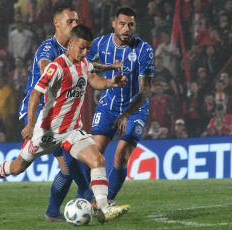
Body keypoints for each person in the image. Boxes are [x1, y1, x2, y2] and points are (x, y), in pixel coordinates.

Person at [0, 25, 130, 224]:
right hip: (47, 132)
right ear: (70, 43)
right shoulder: (57, 67)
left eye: (88, 48)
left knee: (98, 161)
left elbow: (94, 72)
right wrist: (30, 125)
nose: (85, 53)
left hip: (72, 131)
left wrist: (111, 81)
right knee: (18, 166)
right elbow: (35, 94)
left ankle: (104, 209)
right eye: (82, 48)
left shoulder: (83, 63)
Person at [16, 5, 122, 221]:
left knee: (71, 166)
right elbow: (48, 69)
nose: (75, 24)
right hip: (40, 114)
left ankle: (57, 211)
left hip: (62, 117)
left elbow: (89, 73)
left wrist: (109, 77)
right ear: (57, 23)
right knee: (68, 166)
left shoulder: (79, 49)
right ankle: (85, 199)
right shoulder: (48, 48)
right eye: (70, 21)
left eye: (76, 20)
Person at [84, 7, 154, 202]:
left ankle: (105, 203)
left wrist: (126, 115)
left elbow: (145, 90)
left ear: (135, 26)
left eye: (130, 25)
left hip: (135, 110)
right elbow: (85, 65)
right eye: (122, 24)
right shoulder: (100, 43)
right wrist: (103, 71)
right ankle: (84, 199)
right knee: (94, 155)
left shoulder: (143, 49)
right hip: (107, 107)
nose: (126, 29)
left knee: (121, 155)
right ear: (114, 24)